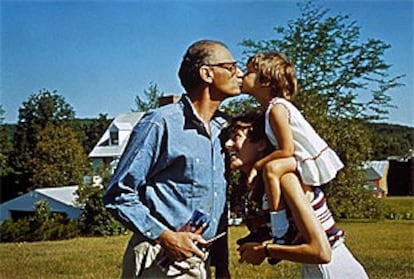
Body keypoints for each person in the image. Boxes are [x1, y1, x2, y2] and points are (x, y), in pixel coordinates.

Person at [103, 39, 242, 279]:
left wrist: (221, 264)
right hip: (159, 257)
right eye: (231, 67)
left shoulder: (224, 131)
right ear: (207, 73)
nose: (239, 74)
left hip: (200, 259)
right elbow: (119, 195)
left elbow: (219, 206)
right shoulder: (160, 123)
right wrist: (166, 237)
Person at [225, 111, 369, 278]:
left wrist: (265, 251)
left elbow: (321, 252)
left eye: (236, 137)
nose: (228, 144)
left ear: (261, 144)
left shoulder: (286, 180)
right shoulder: (259, 186)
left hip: (335, 271)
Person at [242, 52, 344, 246]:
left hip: (306, 159)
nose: (243, 76)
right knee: (267, 178)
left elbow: (286, 150)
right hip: (299, 157)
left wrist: (258, 165)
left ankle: (280, 231)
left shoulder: (277, 109)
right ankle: (264, 226)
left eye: (249, 72)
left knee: (271, 170)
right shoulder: (271, 109)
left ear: (265, 81)